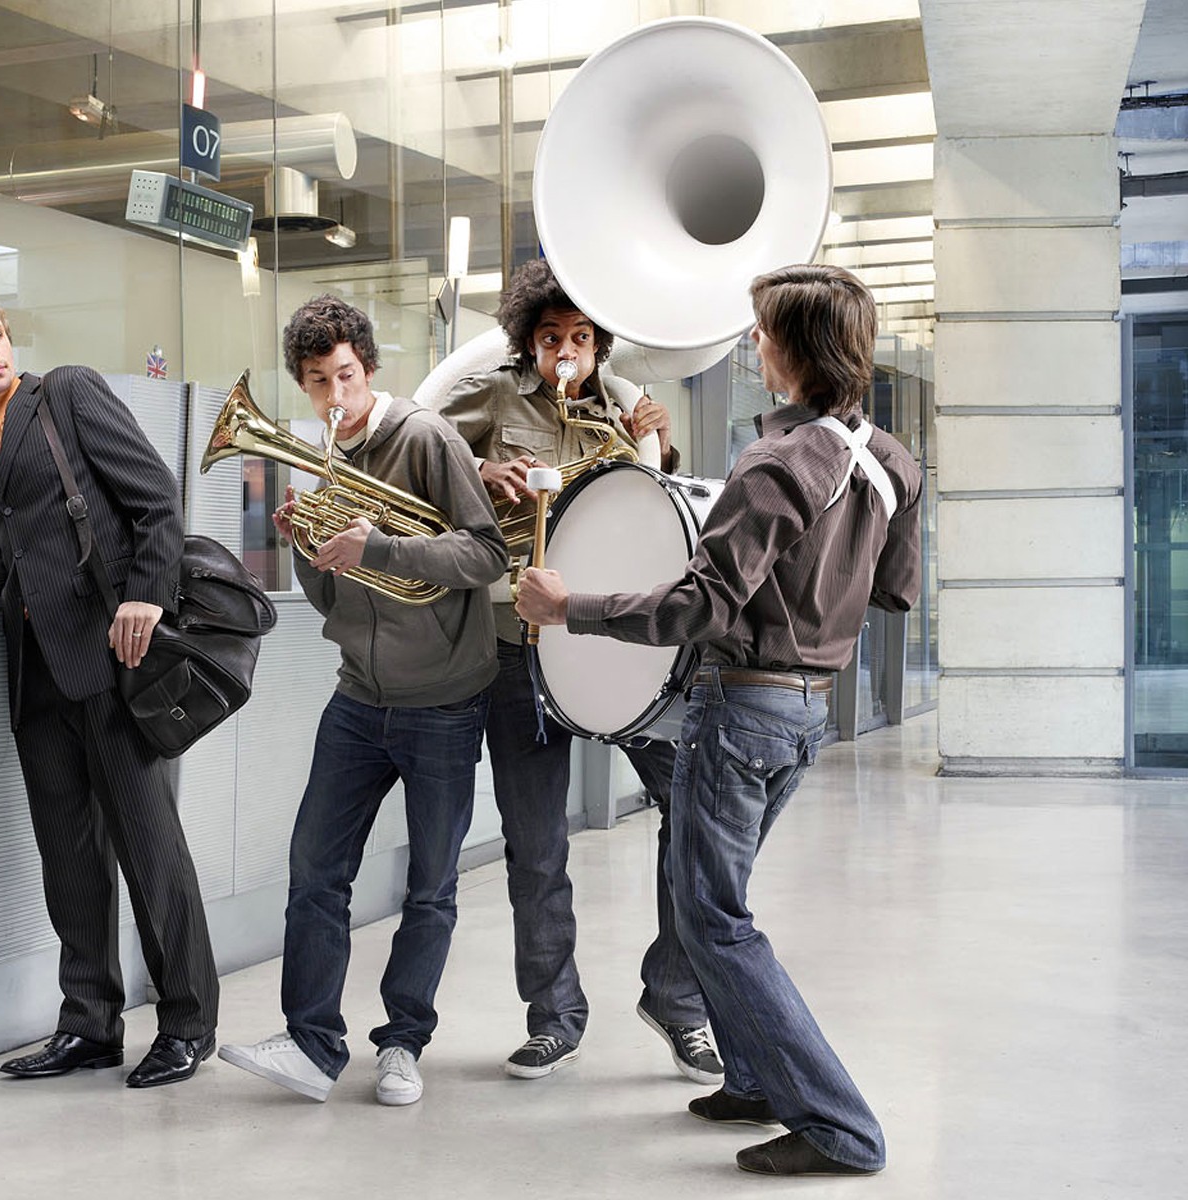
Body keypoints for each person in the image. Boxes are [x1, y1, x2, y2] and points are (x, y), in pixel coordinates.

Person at [515, 264, 921, 1177]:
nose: (755, 345)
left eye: (765, 333)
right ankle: (751, 1077)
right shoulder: (892, 460)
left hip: (740, 711)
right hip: (807, 715)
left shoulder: (776, 462)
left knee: (714, 918)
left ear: (799, 351)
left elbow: (696, 607)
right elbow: (893, 591)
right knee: (717, 905)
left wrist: (568, 606)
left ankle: (836, 1126)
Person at [0, 293, 219, 1089]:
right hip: (36, 676)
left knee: (150, 850)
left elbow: (155, 500)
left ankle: (186, 1024)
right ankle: (89, 1025)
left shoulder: (66, 394)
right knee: (68, 861)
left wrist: (147, 592)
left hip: (113, 663)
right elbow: (34, 558)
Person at [433, 257, 721, 1085]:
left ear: (599, 344)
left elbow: (666, 518)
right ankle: (554, 1016)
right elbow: (417, 442)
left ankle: (678, 997)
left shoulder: (631, 408)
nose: (567, 349)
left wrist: (656, 447)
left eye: (581, 337)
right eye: (551, 336)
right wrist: (481, 472)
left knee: (693, 812)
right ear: (529, 341)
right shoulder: (490, 394)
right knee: (536, 847)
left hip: (615, 642)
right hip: (516, 649)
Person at [219, 295, 508, 1108]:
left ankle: (403, 1043)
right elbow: (336, 599)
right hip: (358, 696)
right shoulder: (319, 458)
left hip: (445, 701)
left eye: (345, 375)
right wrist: (307, 549)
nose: (334, 395)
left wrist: (377, 543)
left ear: (369, 368)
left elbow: (485, 553)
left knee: (432, 884)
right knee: (315, 870)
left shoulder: (425, 437)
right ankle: (312, 1046)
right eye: (317, 382)